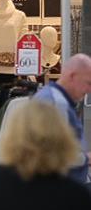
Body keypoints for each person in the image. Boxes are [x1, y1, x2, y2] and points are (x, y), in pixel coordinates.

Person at [34, 53, 91, 182]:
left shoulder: (49, 97)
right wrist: (86, 158)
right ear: (72, 76)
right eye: (88, 83)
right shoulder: (57, 103)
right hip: (61, 186)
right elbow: (55, 155)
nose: (89, 90)